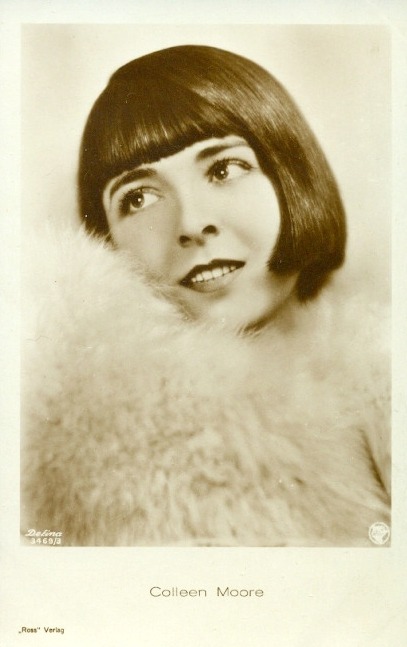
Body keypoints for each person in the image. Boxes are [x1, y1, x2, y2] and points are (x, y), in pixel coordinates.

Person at [21, 45, 390, 547]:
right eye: (139, 197)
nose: (192, 224)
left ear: (292, 174)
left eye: (223, 169)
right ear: (103, 240)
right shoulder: (63, 449)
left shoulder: (384, 374)